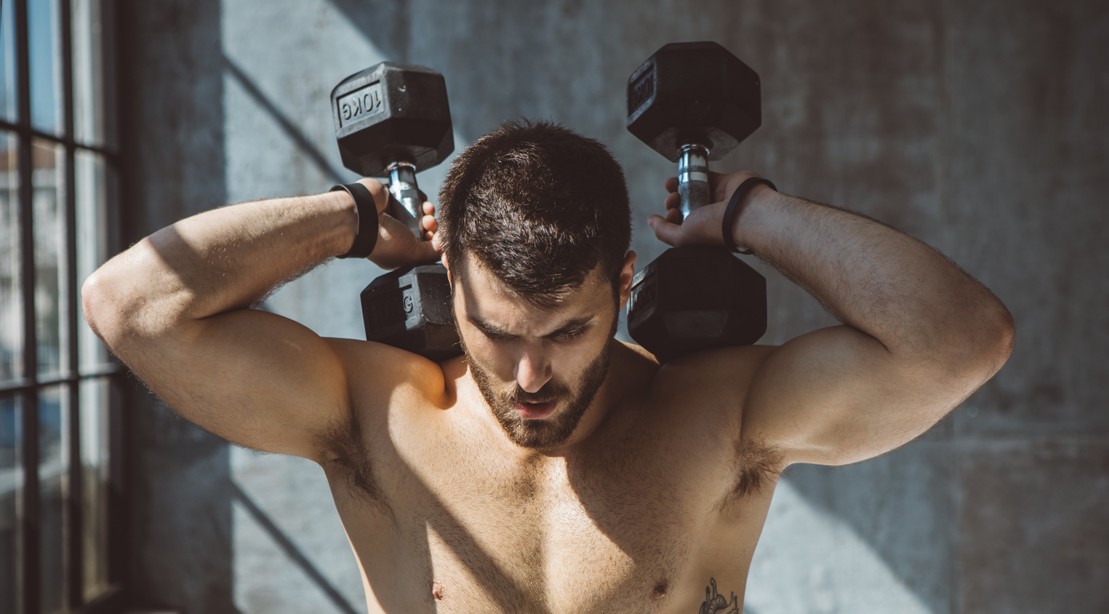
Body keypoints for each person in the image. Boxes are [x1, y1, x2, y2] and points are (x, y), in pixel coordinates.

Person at [82, 121, 1014, 612]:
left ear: (622, 282)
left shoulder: (714, 419)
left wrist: (744, 214)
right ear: (448, 282)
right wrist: (360, 217)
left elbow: (960, 341)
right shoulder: (382, 420)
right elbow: (134, 307)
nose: (530, 376)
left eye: (567, 331)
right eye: (496, 331)